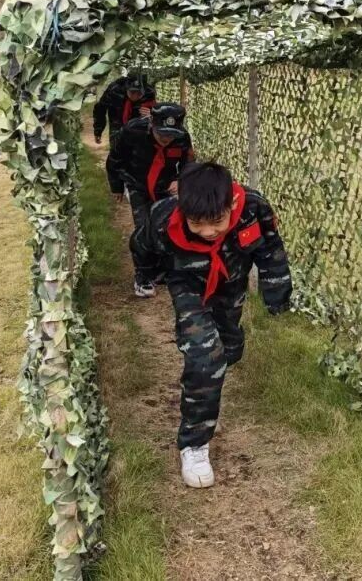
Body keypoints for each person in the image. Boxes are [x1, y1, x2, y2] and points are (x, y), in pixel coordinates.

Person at [131, 161, 292, 488]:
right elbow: (141, 247)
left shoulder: (252, 209)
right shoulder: (163, 218)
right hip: (187, 285)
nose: (208, 231)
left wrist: (277, 295)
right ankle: (194, 444)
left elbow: (270, 249)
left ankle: (212, 380)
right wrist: (147, 276)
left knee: (229, 349)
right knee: (206, 357)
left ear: (231, 204)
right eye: (197, 223)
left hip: (231, 284)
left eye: (217, 221)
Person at [106, 102, 194, 297]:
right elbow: (115, 159)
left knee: (166, 226)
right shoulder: (132, 131)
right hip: (137, 183)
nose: (166, 139)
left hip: (165, 186)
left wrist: (180, 180)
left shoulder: (182, 138)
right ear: (151, 124)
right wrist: (116, 187)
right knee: (144, 228)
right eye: (162, 134)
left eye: (171, 135)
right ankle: (143, 277)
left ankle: (160, 271)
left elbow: (188, 164)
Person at [93, 73, 156, 146]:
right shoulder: (114, 90)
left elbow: (156, 112)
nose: (135, 96)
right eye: (132, 92)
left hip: (138, 126)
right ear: (127, 88)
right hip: (117, 124)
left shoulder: (149, 93)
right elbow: (100, 109)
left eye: (139, 93)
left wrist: (151, 115)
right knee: (117, 148)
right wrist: (98, 130)